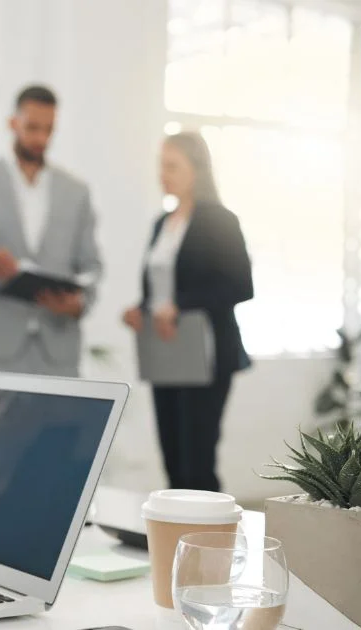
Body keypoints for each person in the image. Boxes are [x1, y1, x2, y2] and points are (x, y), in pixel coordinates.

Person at [0, 85, 102, 377]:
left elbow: (91, 267)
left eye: (49, 129)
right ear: (13, 123)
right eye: (32, 127)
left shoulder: (76, 192)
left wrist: (78, 303)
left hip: (57, 353)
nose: (41, 138)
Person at [122, 131, 253, 492]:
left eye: (171, 166)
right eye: (160, 166)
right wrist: (142, 310)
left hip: (205, 353)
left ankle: (210, 542)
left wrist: (180, 305)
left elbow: (241, 285)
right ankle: (176, 543)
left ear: (197, 169)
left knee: (198, 462)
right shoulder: (161, 224)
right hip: (165, 351)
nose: (162, 174)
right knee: (174, 461)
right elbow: (158, 290)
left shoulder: (220, 220)